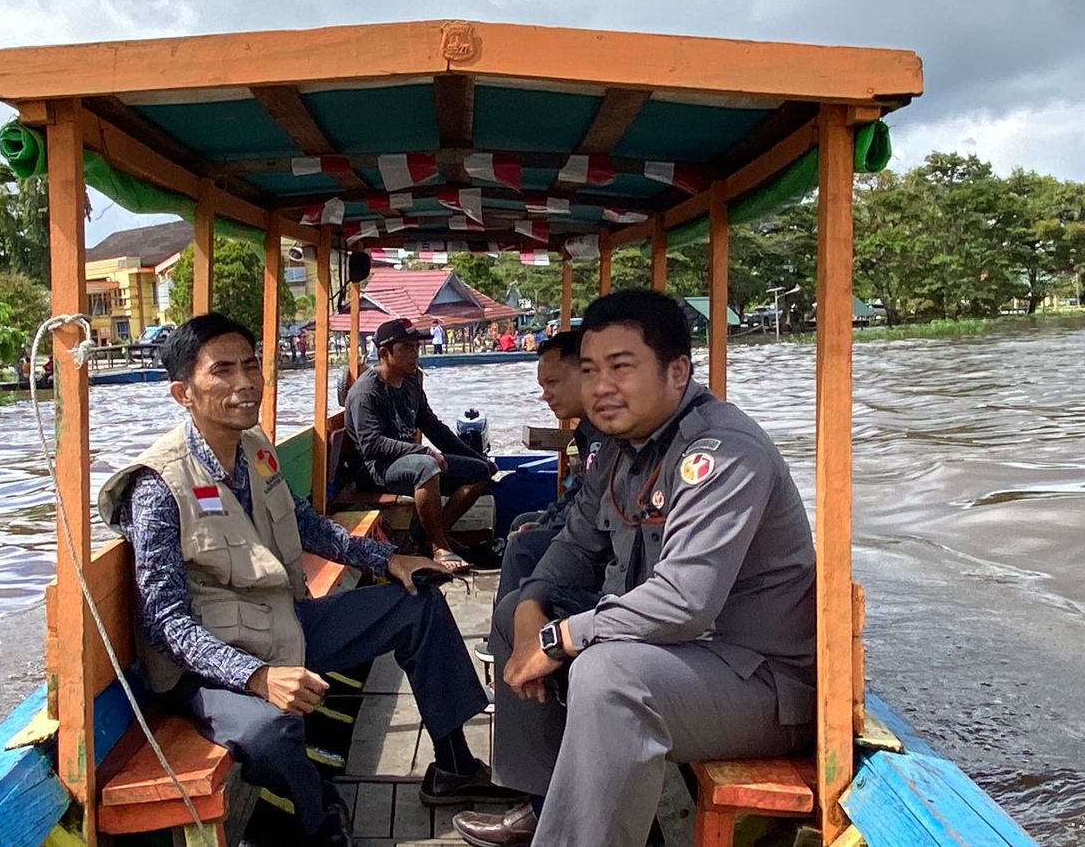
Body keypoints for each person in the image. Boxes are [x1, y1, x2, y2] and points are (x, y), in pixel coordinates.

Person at [100, 313, 515, 847]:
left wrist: (385, 559)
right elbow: (165, 626)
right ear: (184, 392)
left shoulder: (253, 447)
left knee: (417, 603)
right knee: (272, 730)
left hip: (282, 624)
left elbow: (302, 521)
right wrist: (255, 677)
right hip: (205, 667)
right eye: (222, 371)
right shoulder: (158, 486)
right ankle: (320, 817)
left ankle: (456, 766)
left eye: (251, 365)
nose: (245, 382)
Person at [454, 289, 818, 847]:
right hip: (677, 655)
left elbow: (684, 602)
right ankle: (546, 802)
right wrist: (532, 605)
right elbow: (576, 542)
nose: (601, 386)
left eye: (621, 367)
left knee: (608, 677)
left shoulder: (721, 451)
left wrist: (558, 638)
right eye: (591, 369)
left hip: (757, 681)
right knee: (512, 616)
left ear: (677, 371)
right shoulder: (625, 449)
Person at [345, 318, 496, 572]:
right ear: (384, 353)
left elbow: (434, 427)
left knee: (479, 472)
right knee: (426, 466)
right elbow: (371, 445)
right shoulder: (366, 392)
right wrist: (423, 451)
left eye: (416, 347)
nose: (414, 354)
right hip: (375, 469)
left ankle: (434, 537)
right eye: (407, 348)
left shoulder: (411, 382)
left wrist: (478, 458)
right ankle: (439, 547)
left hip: (408, 461)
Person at [495, 330, 601, 609]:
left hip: (601, 540)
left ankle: (511, 631)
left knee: (522, 547)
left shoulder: (606, 434)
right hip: (587, 523)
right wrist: (544, 522)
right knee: (523, 521)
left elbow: (590, 505)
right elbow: (579, 491)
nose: (545, 396)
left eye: (552, 383)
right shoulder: (588, 430)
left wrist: (548, 524)